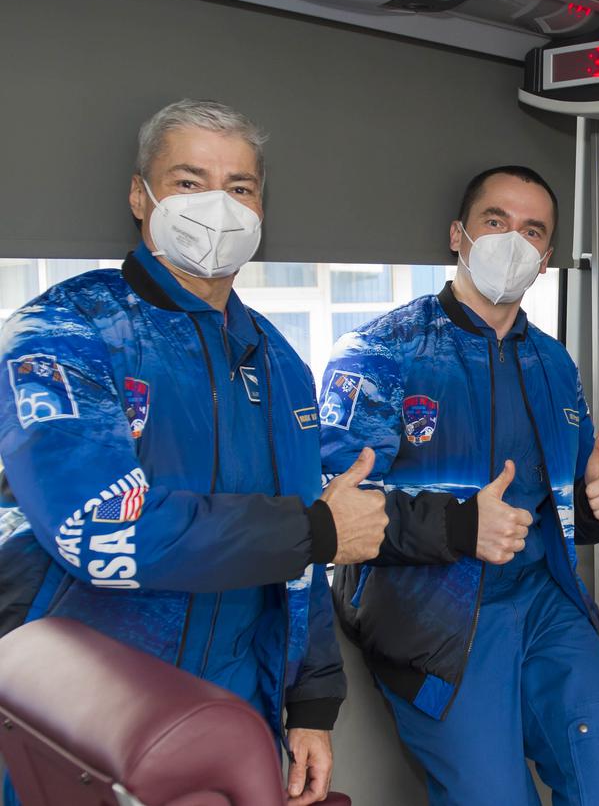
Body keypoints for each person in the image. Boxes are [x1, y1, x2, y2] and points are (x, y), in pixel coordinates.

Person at [0, 100, 389, 806]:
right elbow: (100, 527)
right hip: (89, 719)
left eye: (239, 187)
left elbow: (303, 547)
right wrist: (319, 531)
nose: (218, 205)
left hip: (236, 712)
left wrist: (310, 703)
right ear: (138, 195)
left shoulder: (280, 363)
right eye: (189, 181)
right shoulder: (64, 331)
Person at [320, 165, 599, 805]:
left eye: (532, 231)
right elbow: (339, 511)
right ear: (459, 234)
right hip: (435, 618)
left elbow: (576, 492)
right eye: (495, 222)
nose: (513, 241)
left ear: (547, 257)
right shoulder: (379, 350)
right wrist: (459, 526)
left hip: (543, 602)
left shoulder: (553, 361)